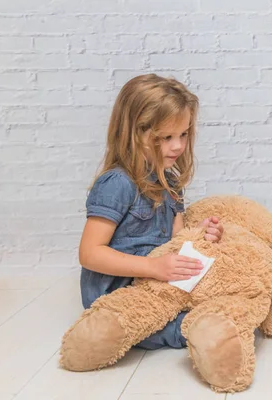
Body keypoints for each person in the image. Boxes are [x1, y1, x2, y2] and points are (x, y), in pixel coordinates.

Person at [78, 74, 224, 350]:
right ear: (134, 133)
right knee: (183, 326)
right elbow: (89, 253)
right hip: (120, 295)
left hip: (157, 284)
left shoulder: (169, 183)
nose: (178, 145)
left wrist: (201, 235)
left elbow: (176, 240)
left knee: (226, 295)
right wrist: (151, 267)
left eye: (183, 134)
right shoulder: (117, 183)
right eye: (166, 137)